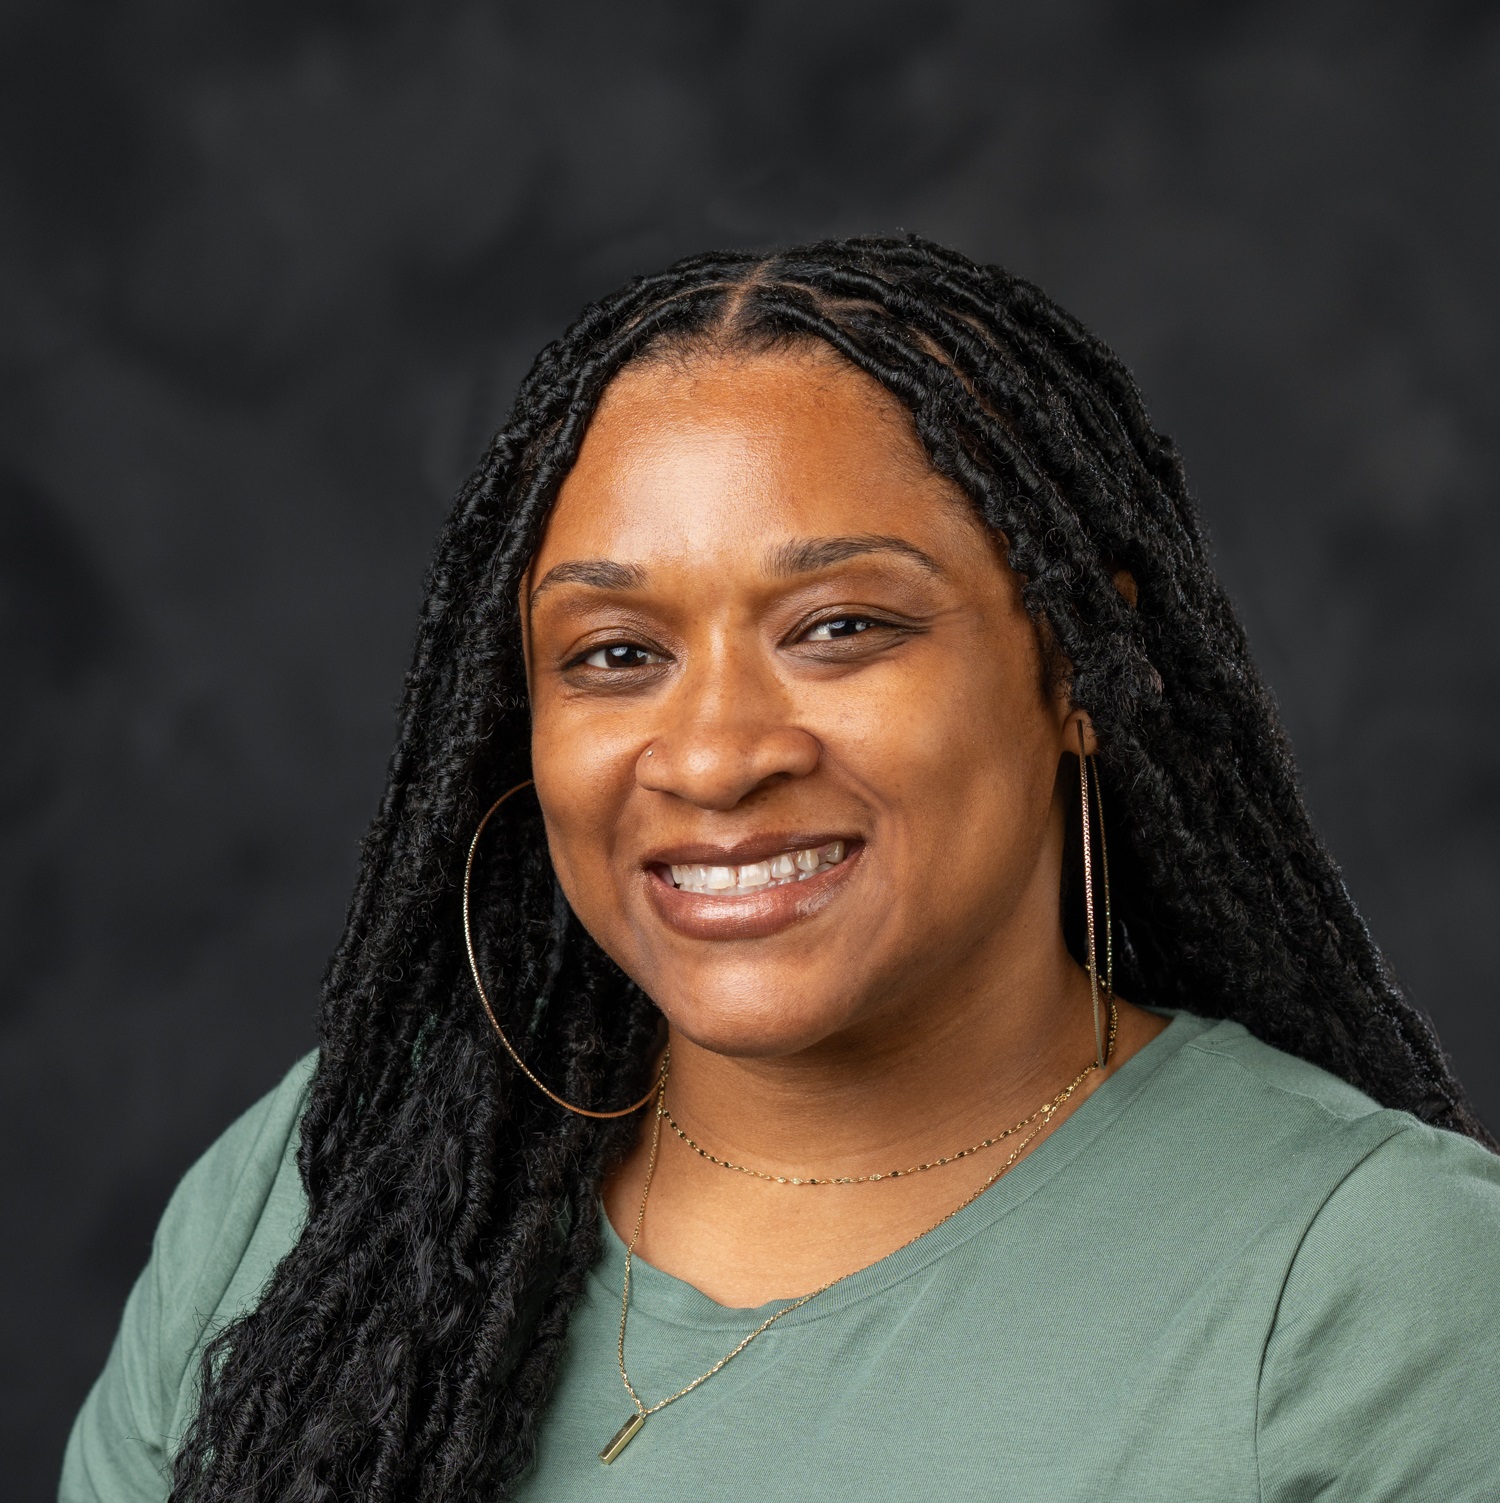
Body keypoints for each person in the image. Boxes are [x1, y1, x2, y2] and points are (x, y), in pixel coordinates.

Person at [62, 237, 1500, 1502]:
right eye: (615, 654)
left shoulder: (1377, 1287)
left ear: (1079, 664)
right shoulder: (328, 1188)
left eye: (840, 628)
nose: (712, 756)